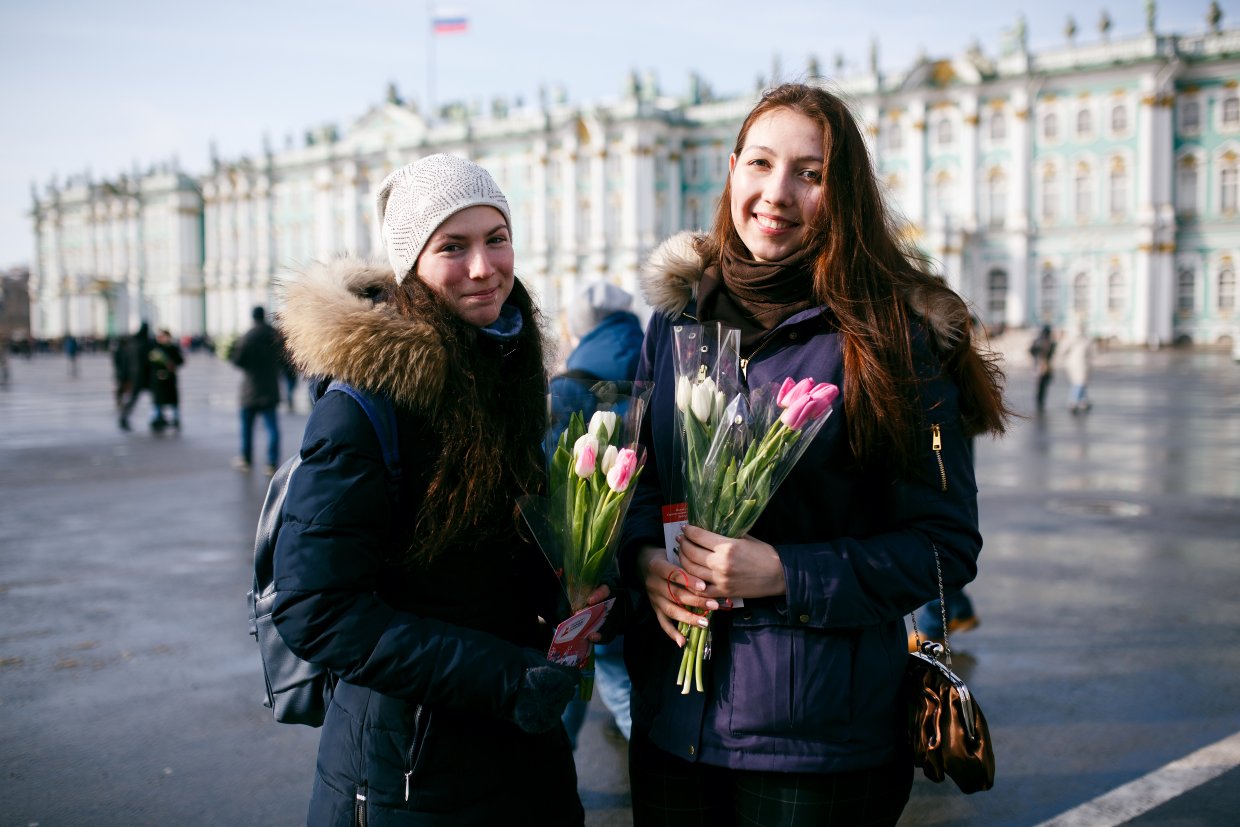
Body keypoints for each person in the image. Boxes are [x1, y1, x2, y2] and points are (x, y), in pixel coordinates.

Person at [619, 83, 1010, 826]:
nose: (777, 192)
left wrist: (784, 573)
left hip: (817, 746)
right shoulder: (675, 320)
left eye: (810, 172)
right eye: (760, 163)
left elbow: (942, 545)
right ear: (731, 169)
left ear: (845, 192)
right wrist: (644, 559)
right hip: (674, 722)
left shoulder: (895, 338)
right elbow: (640, 480)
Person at [271, 154, 600, 826]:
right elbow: (315, 605)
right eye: (453, 246)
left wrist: (581, 585)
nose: (484, 266)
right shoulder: (366, 403)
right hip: (409, 768)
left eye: (496, 238)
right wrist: (506, 677)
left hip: (522, 755)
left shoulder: (509, 372)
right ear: (411, 265)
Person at [552, 279, 644, 748]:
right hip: (645, 563)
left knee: (569, 686)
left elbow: (556, 478)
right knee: (626, 682)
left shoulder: (571, 385)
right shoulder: (658, 365)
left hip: (584, 571)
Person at [229, 306, 284, 473]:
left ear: (253, 317)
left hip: (250, 390)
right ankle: (271, 463)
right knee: (272, 428)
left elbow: (237, 361)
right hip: (270, 388)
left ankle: (246, 459)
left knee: (247, 428)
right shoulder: (276, 336)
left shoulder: (247, 337)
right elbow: (284, 361)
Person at [116, 322, 154, 431]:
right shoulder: (146, 344)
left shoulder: (132, 343)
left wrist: (124, 376)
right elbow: (149, 360)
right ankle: (157, 417)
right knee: (154, 397)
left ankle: (124, 417)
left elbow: (125, 362)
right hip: (145, 376)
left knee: (133, 398)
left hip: (134, 376)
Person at [148, 328, 184, 431]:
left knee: (172, 401)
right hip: (157, 380)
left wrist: (173, 364)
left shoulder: (172, 348)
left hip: (170, 380)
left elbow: (180, 361)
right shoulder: (154, 348)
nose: (163, 338)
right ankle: (157, 418)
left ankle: (175, 418)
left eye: (165, 336)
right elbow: (149, 363)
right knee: (158, 401)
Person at [1058, 319, 1093, 414]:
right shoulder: (1072, 338)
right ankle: (1074, 401)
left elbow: (1091, 352)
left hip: (1084, 364)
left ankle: (1082, 401)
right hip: (1074, 364)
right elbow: (1062, 349)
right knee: (1079, 383)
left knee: (1080, 383)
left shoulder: (1086, 339)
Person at [1030, 324, 1056, 413]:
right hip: (1044, 365)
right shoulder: (1050, 342)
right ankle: (1040, 400)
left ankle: (1039, 399)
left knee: (1040, 383)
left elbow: (1031, 351)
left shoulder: (1038, 341)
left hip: (1039, 364)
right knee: (1043, 384)